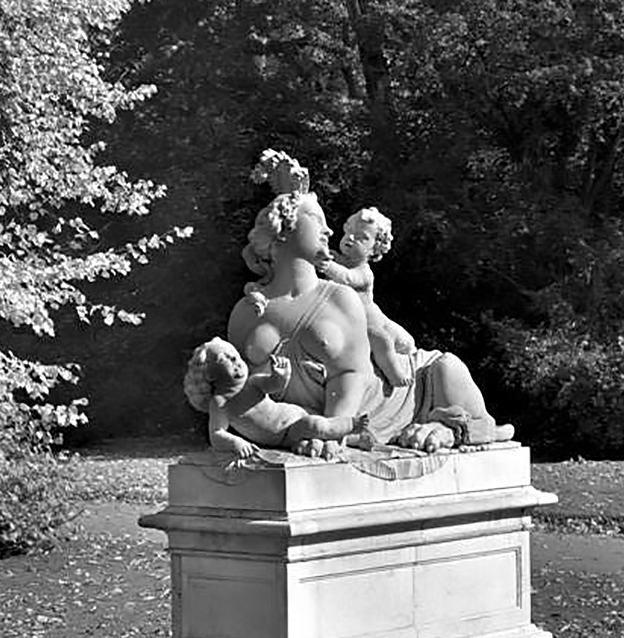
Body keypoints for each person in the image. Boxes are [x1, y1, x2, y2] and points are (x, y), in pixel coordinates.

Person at [227, 150, 514, 458]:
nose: (329, 231)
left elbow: (349, 375)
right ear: (283, 229)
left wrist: (331, 430)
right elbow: (241, 388)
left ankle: (456, 426)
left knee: (444, 367)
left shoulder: (340, 297)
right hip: (306, 425)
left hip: (402, 396)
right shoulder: (247, 310)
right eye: (317, 221)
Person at [183, 337, 370, 460]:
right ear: (210, 374)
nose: (236, 361)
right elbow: (216, 434)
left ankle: (351, 425)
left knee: (320, 427)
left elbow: (274, 384)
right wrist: (236, 443)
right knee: (317, 428)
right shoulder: (220, 402)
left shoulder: (252, 383)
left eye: (236, 356)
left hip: (293, 417)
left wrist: (281, 375)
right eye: (226, 359)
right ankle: (353, 436)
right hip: (286, 433)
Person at [316, 206, 417, 387]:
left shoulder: (364, 272)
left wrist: (326, 266)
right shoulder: (335, 257)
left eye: (363, 237)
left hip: (367, 320)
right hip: (343, 317)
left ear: (374, 249)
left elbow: (347, 278)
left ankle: (393, 372)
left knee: (382, 339)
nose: (352, 238)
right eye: (350, 232)